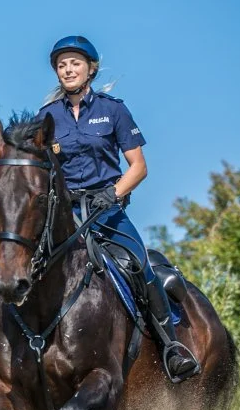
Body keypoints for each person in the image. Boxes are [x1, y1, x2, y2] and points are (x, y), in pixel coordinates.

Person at [34, 35, 200, 383]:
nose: (68, 69)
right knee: (27, 266)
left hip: (105, 208)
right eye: (62, 65)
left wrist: (113, 193)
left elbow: (138, 166)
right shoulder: (46, 116)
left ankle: (171, 346)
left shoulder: (113, 110)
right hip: (64, 211)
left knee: (139, 264)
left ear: (90, 69)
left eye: (75, 63)